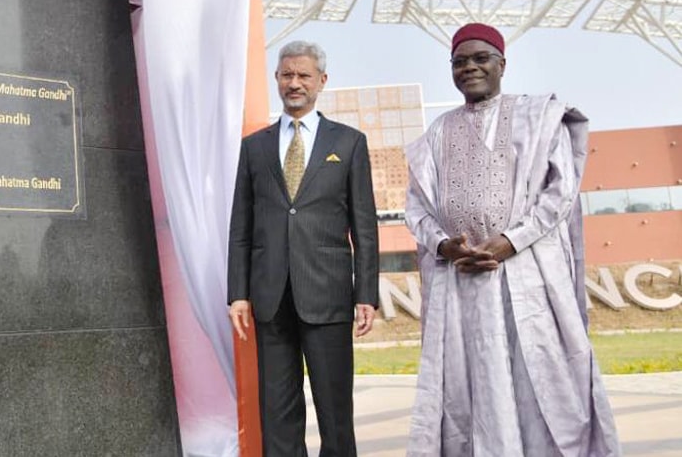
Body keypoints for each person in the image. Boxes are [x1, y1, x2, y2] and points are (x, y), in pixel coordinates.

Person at [404, 23, 621, 456]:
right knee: (473, 388)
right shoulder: (437, 134)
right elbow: (417, 207)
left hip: (527, 280)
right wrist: (447, 246)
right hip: (462, 287)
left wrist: (509, 241)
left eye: (480, 58)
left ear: (502, 63)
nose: (470, 68)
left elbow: (559, 193)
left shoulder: (538, 117)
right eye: (460, 62)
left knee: (542, 380)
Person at [227, 40, 379, 456]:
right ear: (276, 79)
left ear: (321, 81)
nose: (295, 83)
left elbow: (364, 227)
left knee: (335, 413)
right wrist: (238, 293)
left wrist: (366, 293)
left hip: (328, 295)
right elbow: (241, 226)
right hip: (270, 298)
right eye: (287, 74)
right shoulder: (254, 147)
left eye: (303, 76)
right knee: (277, 413)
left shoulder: (349, 143)